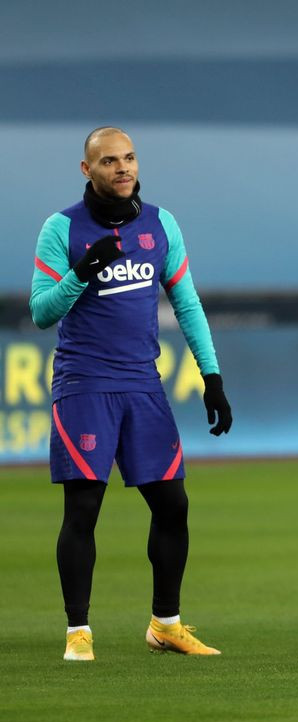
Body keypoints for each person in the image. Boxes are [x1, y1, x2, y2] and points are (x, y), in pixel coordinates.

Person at [30, 127, 232, 661]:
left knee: (173, 505)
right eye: (110, 161)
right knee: (83, 510)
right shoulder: (61, 228)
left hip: (144, 385)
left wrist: (211, 377)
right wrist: (80, 273)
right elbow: (41, 311)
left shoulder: (161, 224)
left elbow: (186, 303)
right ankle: (79, 632)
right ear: (86, 169)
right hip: (85, 386)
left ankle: (166, 624)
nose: (123, 168)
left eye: (130, 159)